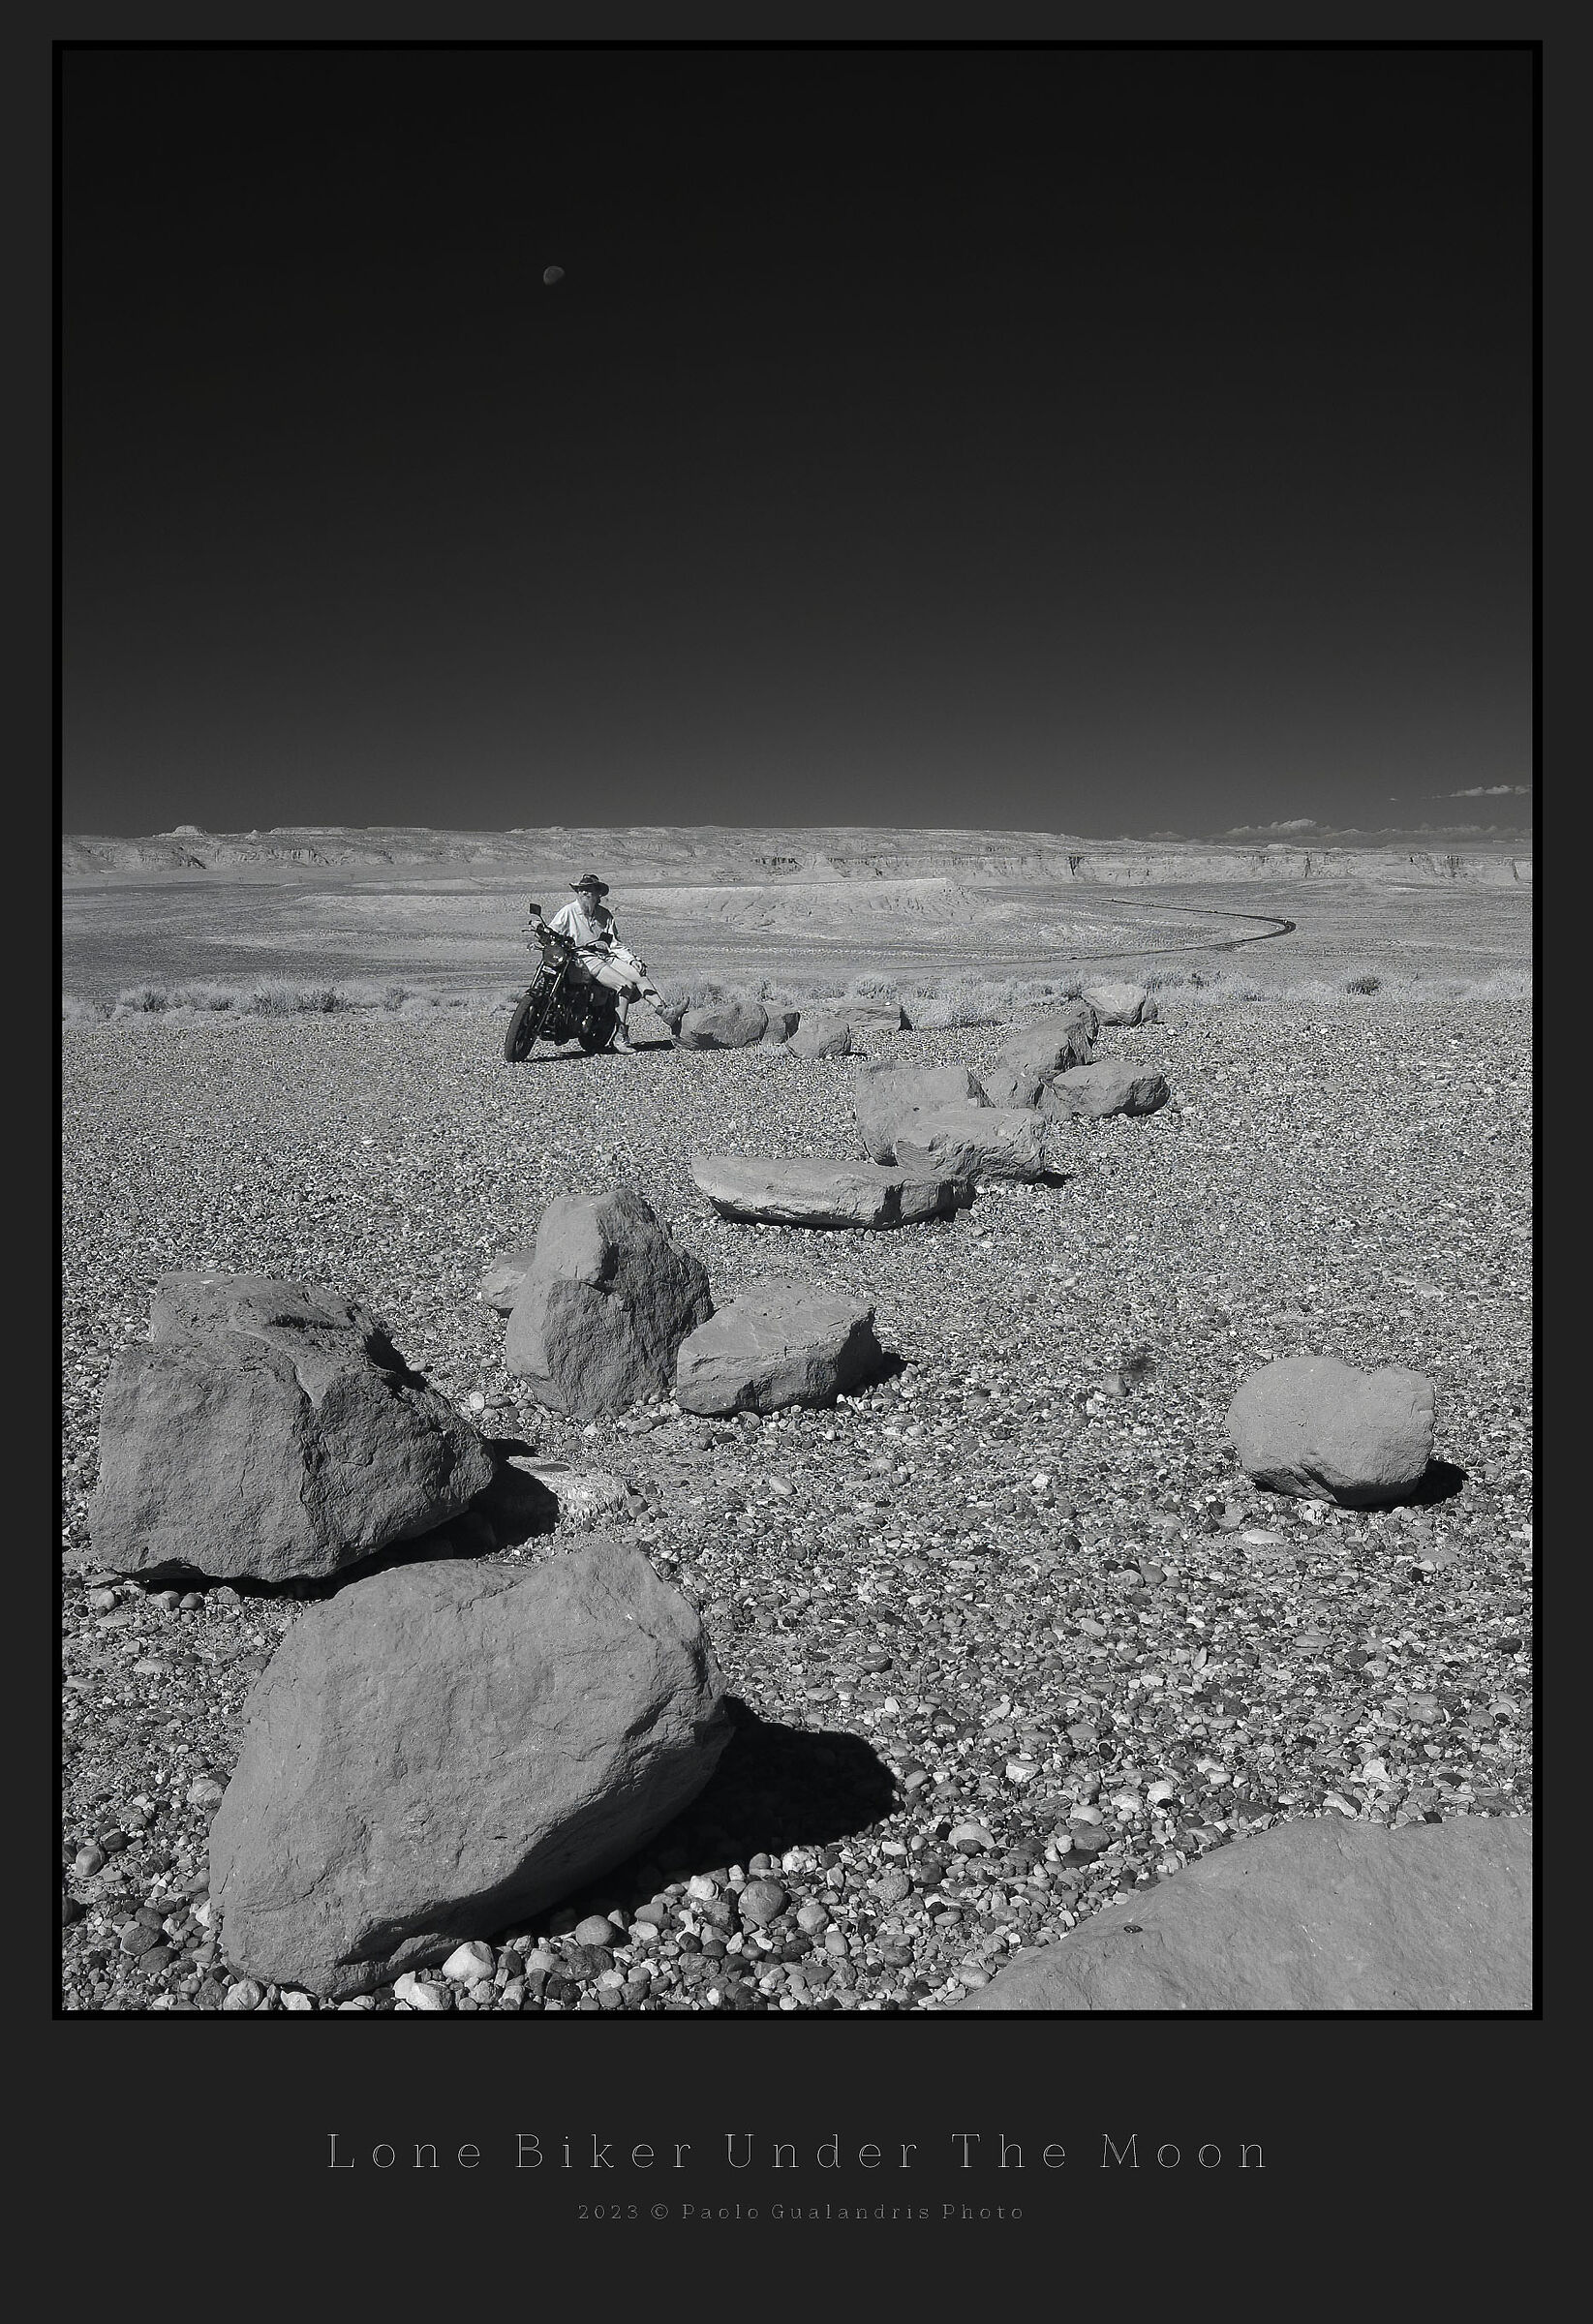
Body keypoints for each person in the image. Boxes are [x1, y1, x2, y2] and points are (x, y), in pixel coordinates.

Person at [545, 873, 640, 1051]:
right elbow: (553, 930)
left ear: (598, 894)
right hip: (574, 958)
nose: (585, 893)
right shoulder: (568, 911)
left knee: (626, 985)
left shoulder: (605, 916)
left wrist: (631, 959)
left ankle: (620, 1034)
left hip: (598, 960)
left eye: (589, 890)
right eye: (582, 890)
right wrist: (542, 931)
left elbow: (614, 944)